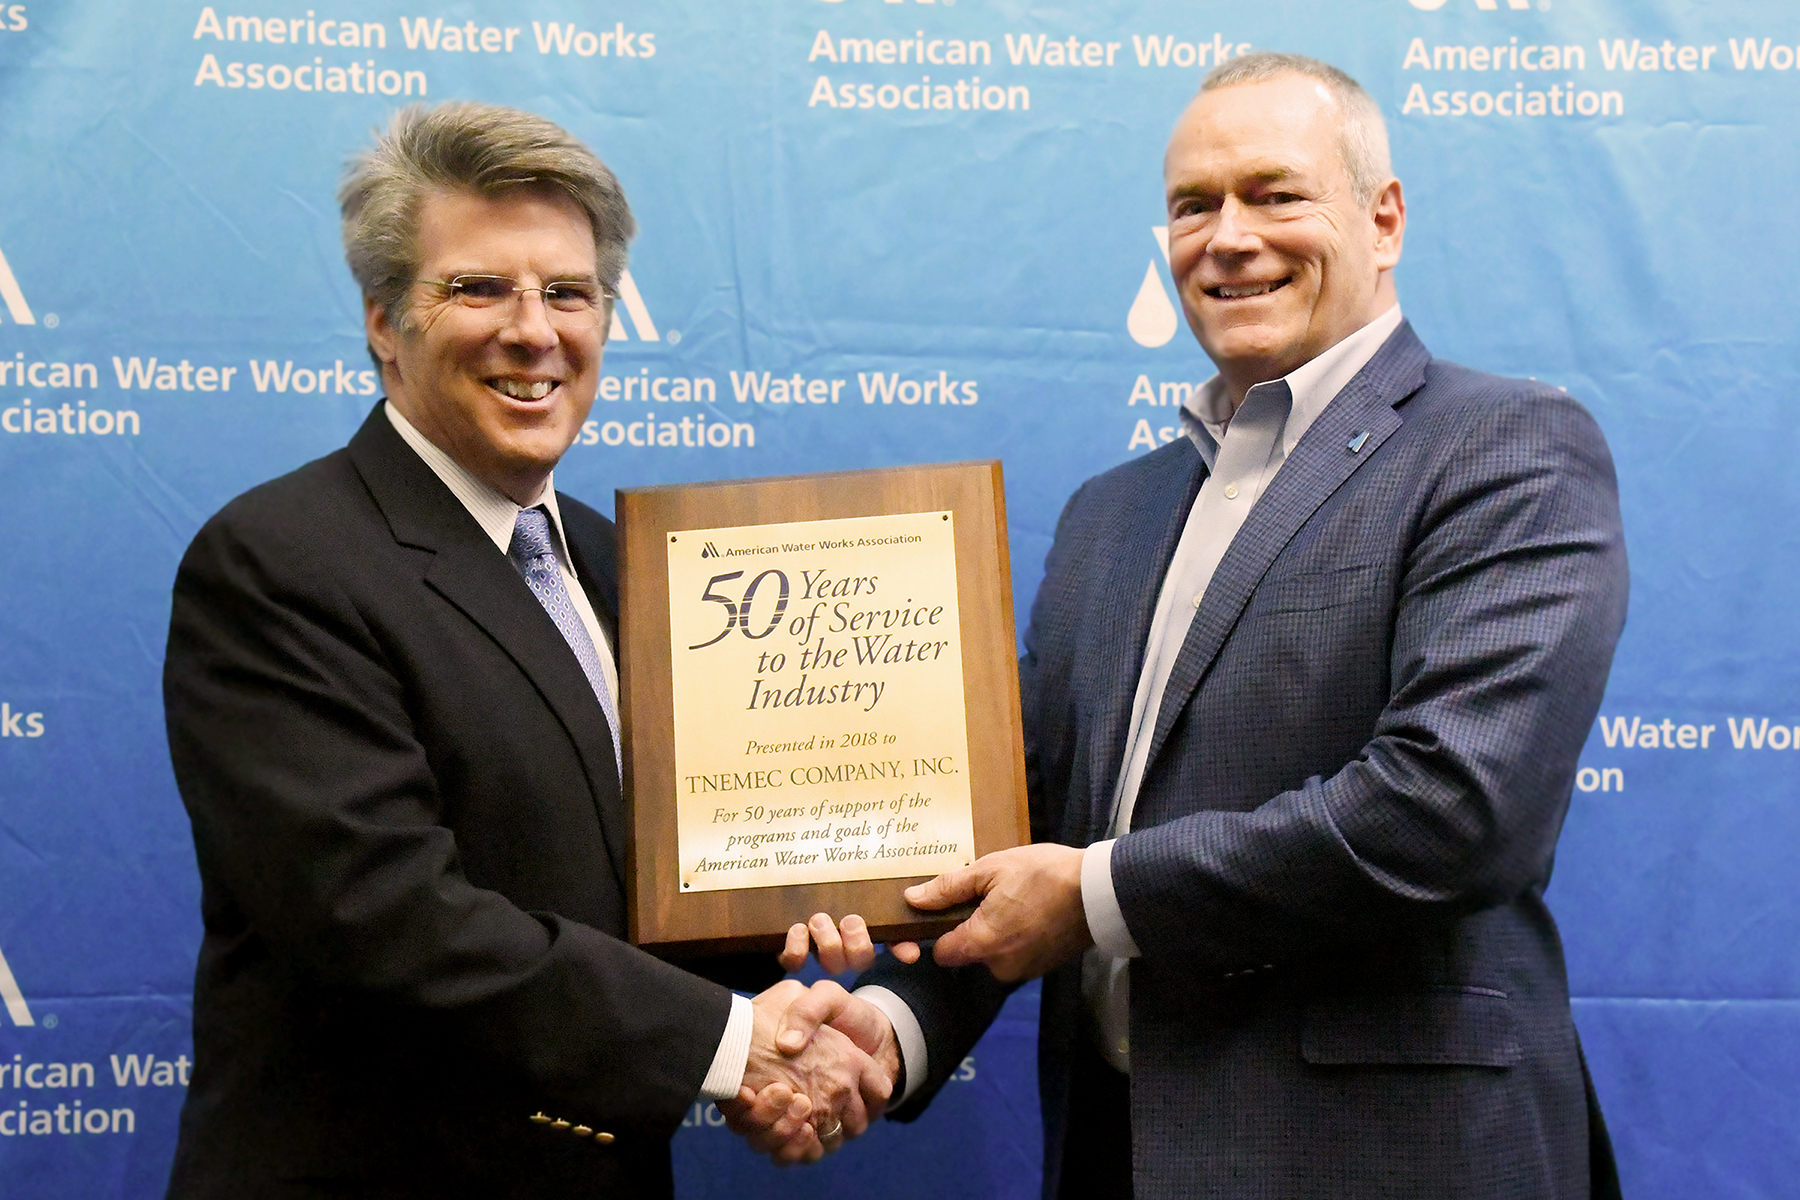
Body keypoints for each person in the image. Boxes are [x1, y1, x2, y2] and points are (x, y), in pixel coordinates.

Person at [766, 51, 1630, 1199]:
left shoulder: (1503, 447)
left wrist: (1090, 898)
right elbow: (1023, 840)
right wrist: (890, 1022)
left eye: (1275, 194)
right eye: (1192, 205)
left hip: (1388, 1160)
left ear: (1384, 221)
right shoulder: (1110, 514)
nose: (1227, 237)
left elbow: (1456, 809)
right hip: (1118, 1154)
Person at [160, 101, 887, 1199]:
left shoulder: (625, 566)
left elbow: (647, 886)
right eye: (478, 287)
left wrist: (789, 939)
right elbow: (386, 921)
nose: (534, 330)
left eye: (569, 293)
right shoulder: (279, 563)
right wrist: (741, 1049)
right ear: (382, 320)